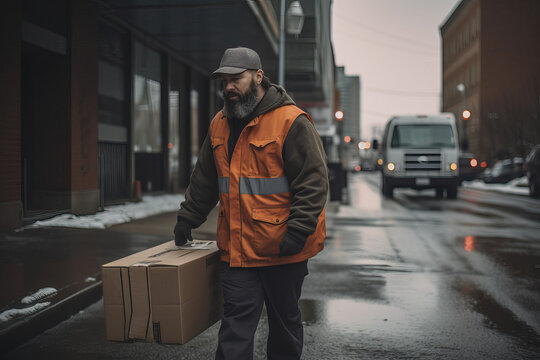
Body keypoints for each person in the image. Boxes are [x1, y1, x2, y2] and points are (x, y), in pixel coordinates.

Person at [174, 46, 328, 360]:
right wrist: (188, 216)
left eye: (236, 79)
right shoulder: (219, 123)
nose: (228, 87)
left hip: (283, 249)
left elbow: (314, 181)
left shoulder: (291, 122)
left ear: (258, 77)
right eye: (223, 81)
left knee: (284, 326)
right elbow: (205, 177)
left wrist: (297, 232)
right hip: (238, 251)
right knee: (235, 327)